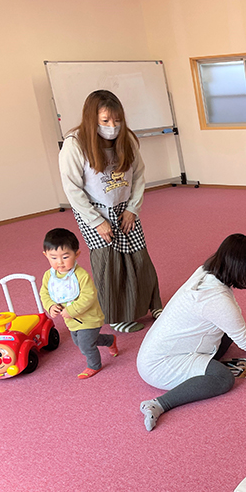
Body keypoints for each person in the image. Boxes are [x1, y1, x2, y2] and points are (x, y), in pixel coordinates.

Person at [136, 234, 246, 431]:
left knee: (230, 333)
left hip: (160, 349)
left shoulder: (206, 272)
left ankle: (201, 368)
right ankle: (159, 404)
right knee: (223, 378)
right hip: (161, 365)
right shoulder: (217, 300)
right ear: (239, 267)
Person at [59, 89, 162, 333]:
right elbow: (72, 190)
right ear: (91, 119)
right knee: (109, 261)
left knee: (138, 256)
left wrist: (133, 209)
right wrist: (96, 222)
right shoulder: (75, 145)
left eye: (117, 120)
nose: (112, 126)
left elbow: (138, 177)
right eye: (105, 121)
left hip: (124, 209)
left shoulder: (126, 139)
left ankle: (152, 303)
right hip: (93, 212)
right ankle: (116, 314)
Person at [39, 228, 118, 379]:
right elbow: (45, 293)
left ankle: (94, 365)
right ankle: (109, 340)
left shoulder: (80, 275)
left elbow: (89, 296)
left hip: (89, 319)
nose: (60, 262)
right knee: (80, 341)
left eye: (65, 256)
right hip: (71, 321)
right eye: (54, 257)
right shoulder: (49, 276)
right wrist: (50, 306)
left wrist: (72, 310)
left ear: (77, 254)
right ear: (46, 255)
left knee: (86, 345)